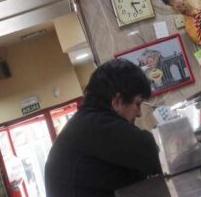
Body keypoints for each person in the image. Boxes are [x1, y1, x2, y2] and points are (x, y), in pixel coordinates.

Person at [44, 59, 161, 197]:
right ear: (117, 101)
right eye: (137, 103)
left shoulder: (86, 122)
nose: (140, 113)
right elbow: (151, 152)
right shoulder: (92, 124)